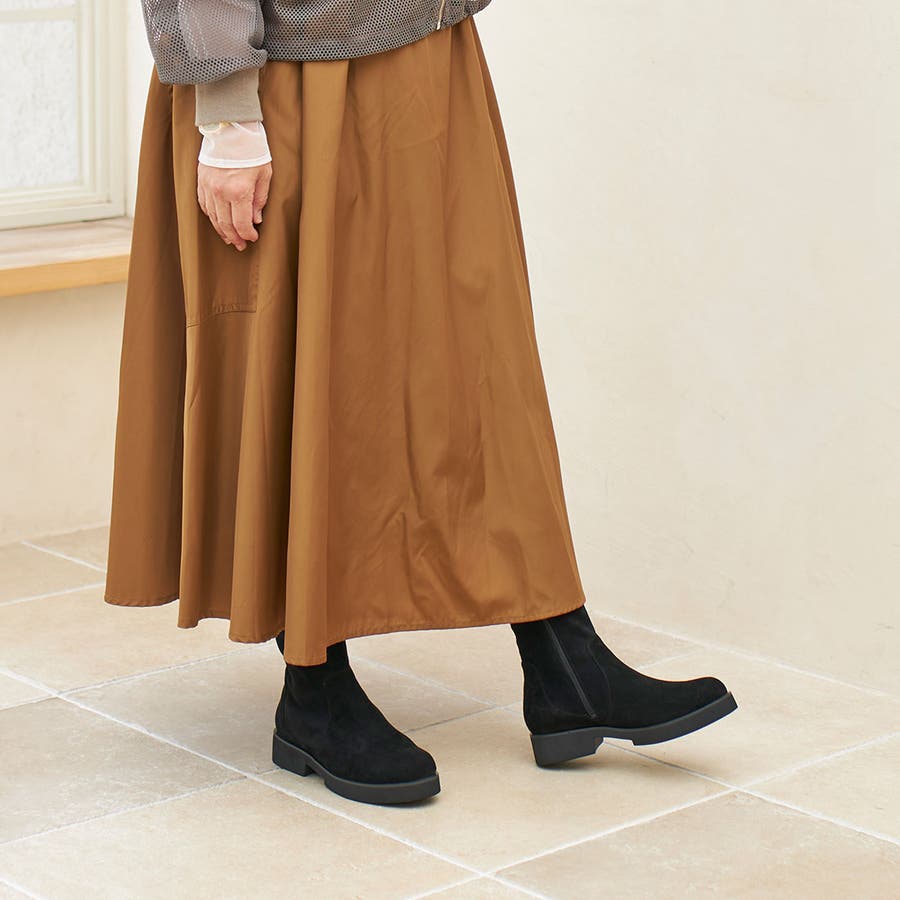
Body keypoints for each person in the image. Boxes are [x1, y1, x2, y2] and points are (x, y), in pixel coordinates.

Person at [104, 1, 738, 807]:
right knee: (308, 372)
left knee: (480, 365)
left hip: (432, 55)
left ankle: (566, 666)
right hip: (298, 74)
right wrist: (228, 111)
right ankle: (314, 687)